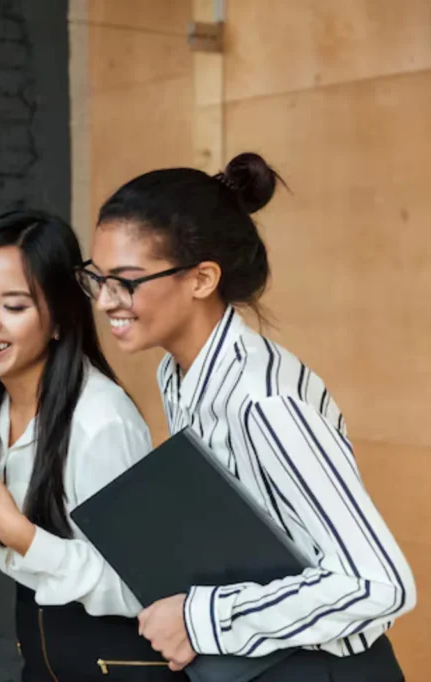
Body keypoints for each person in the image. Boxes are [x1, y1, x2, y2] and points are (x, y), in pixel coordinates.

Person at [81, 152, 415, 680]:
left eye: (127, 281)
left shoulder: (263, 402)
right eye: (97, 278)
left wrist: (198, 618)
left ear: (201, 278)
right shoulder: (179, 372)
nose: (104, 301)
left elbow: (378, 583)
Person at [0, 210, 187, 681]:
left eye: (14, 307)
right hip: (46, 655)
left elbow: (141, 586)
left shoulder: (100, 421)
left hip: (117, 661)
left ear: (59, 319)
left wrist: (17, 531)